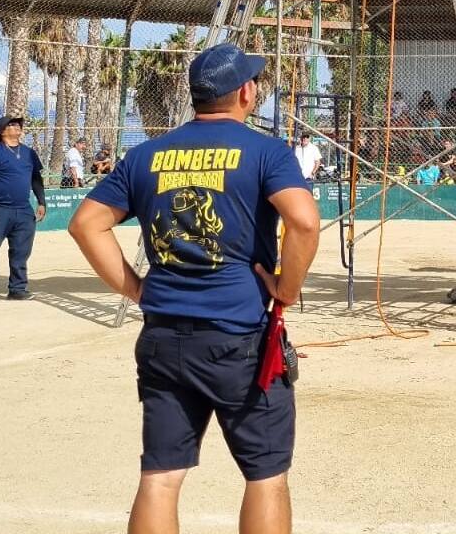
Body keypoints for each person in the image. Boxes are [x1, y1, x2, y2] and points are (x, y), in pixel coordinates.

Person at [68, 42, 320, 534]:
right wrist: (286, 290)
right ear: (246, 92)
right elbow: (305, 223)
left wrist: (137, 290)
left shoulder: (145, 155)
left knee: (160, 477)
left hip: (164, 335)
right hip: (238, 334)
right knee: (266, 476)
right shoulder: (265, 152)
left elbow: (86, 225)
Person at [0, 116, 46, 301]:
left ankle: (17, 289)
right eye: (12, 124)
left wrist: (41, 202)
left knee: (21, 251)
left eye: (18, 124)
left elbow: (36, 179)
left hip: (24, 210)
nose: (17, 126)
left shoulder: (29, 152)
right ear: (1, 131)